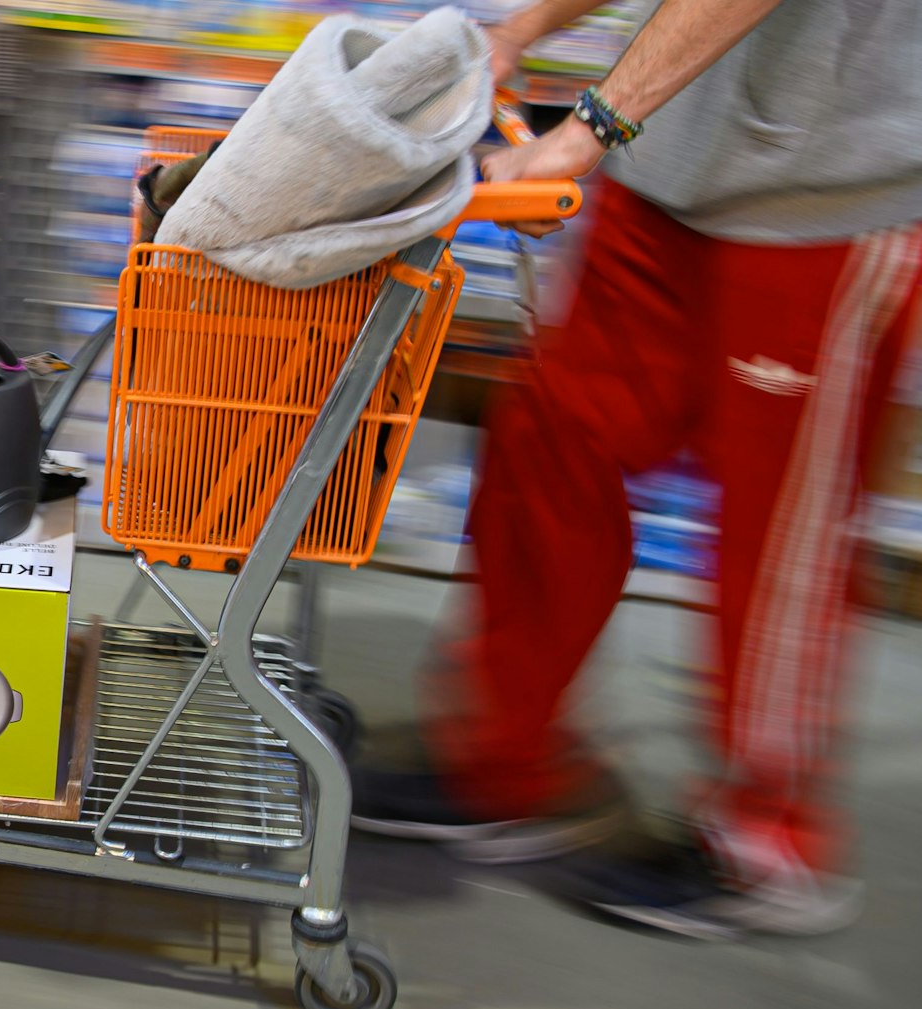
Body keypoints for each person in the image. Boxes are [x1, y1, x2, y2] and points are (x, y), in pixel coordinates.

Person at [346, 0, 922, 939]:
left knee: (781, 539)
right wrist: (520, 31)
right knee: (552, 442)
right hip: (674, 171)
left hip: (826, 196)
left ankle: (765, 846)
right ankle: (504, 760)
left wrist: (590, 128)